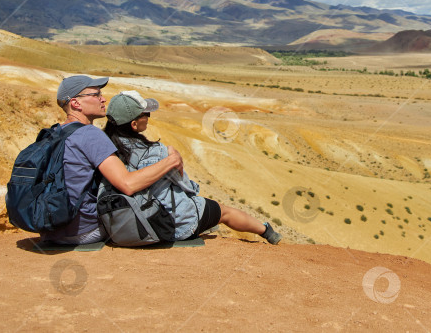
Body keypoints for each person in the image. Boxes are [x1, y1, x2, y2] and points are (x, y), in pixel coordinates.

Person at [41, 75, 280, 246]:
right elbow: (131, 184)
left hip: (52, 227)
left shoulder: (58, 133)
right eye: (96, 94)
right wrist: (171, 159)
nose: (102, 98)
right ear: (76, 103)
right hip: (88, 229)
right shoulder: (94, 137)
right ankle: (266, 231)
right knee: (219, 210)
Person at [104, 90, 281, 244]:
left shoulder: (104, 150)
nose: (149, 118)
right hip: (168, 224)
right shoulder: (157, 153)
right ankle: (266, 231)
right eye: (146, 114)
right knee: (223, 211)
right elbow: (185, 185)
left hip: (121, 224)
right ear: (134, 124)